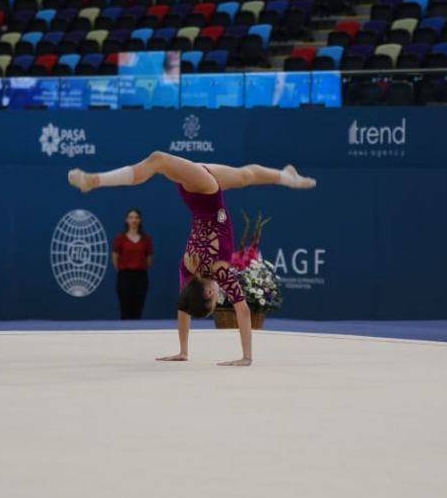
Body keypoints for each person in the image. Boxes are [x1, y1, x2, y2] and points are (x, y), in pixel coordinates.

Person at [68, 152, 317, 367]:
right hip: (202, 192)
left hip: (206, 192)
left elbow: (241, 310)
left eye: (215, 300)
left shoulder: (218, 271)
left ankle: (96, 180)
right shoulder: (187, 267)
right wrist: (183, 351)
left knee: (158, 159)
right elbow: (183, 306)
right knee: (245, 176)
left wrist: (246, 357)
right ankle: (287, 177)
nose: (220, 297)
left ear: (209, 294)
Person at [112, 208, 153, 321]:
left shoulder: (146, 239)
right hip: (124, 276)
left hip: (140, 277)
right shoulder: (120, 238)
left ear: (140, 220)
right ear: (126, 220)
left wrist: (140, 268)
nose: (133, 220)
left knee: (138, 307)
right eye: (131, 217)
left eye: (136, 217)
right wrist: (122, 270)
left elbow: (148, 259)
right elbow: (115, 257)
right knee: (125, 308)